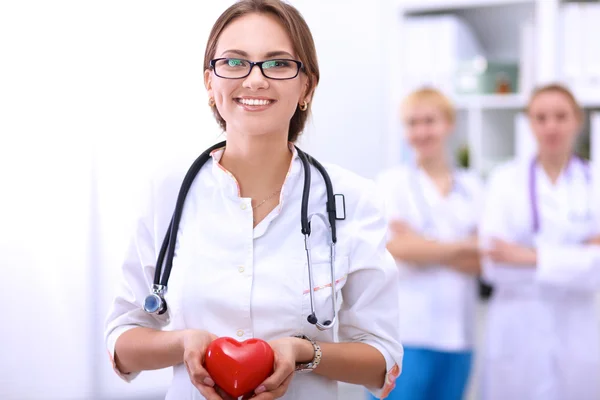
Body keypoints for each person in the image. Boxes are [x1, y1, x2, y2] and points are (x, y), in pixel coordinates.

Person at [103, 1, 403, 400]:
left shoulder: (353, 198)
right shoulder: (168, 191)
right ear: (210, 82)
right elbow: (122, 337)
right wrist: (184, 344)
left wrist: (304, 353)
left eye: (278, 64)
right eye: (234, 62)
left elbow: (381, 358)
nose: (255, 80)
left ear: (307, 87)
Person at [479, 83, 600, 400]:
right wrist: (578, 256)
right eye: (541, 117)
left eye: (561, 116)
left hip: (579, 328)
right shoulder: (504, 181)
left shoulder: (595, 183)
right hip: (518, 326)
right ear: (529, 123)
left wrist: (528, 257)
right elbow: (494, 264)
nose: (551, 126)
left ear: (577, 120)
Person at [371, 88, 482, 400]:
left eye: (429, 121)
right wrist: (463, 245)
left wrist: (423, 246)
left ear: (448, 124)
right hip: (406, 336)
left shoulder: (472, 187)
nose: (421, 131)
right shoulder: (391, 183)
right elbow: (397, 248)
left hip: (459, 336)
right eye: (412, 123)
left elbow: (483, 258)